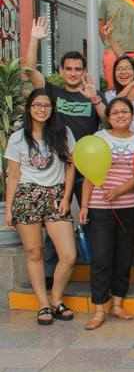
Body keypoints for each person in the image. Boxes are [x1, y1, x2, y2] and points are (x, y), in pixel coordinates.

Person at [24, 17, 105, 290]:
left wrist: (95, 98)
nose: (73, 73)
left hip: (88, 170)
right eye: (68, 68)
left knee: (91, 219)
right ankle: (48, 272)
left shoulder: (93, 93)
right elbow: (28, 71)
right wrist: (35, 38)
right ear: (61, 70)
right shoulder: (54, 92)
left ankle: (96, 269)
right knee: (54, 219)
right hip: (57, 169)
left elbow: (109, 121)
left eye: (78, 69)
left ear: (84, 71)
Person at [4, 89, 76, 326]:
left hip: (56, 194)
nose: (41, 109)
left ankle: (56, 299)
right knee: (34, 253)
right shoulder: (17, 137)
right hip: (27, 194)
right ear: (29, 108)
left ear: (52, 108)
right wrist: (9, 208)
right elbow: (13, 175)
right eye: (37, 105)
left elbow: (70, 167)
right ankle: (43, 304)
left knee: (68, 255)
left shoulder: (63, 133)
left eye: (46, 105)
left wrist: (66, 197)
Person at [79, 97, 134, 330]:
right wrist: (84, 206)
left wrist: (120, 190)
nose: (120, 115)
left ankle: (117, 304)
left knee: (124, 257)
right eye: (115, 112)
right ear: (108, 116)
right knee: (101, 258)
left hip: (130, 205)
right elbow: (88, 174)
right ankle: (98, 309)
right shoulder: (98, 138)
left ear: (132, 115)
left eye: (125, 111)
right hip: (100, 206)